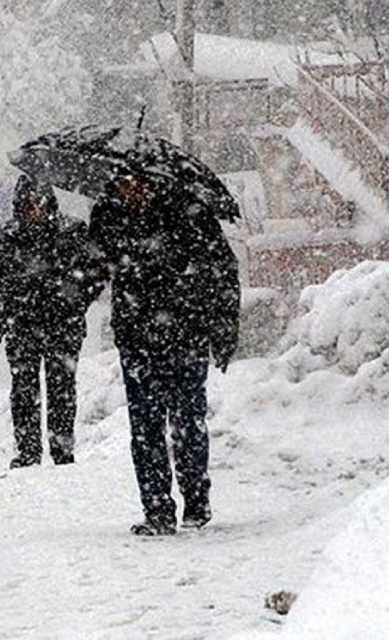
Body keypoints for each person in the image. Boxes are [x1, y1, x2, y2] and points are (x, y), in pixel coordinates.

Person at [89, 173, 240, 536]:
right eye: (124, 183)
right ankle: (157, 509)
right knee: (145, 428)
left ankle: (196, 500)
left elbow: (222, 269)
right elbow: (93, 269)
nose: (132, 189)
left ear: (153, 181)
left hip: (184, 334)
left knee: (187, 422)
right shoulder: (108, 215)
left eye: (136, 182)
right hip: (137, 338)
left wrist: (223, 329)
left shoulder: (188, 211)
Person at [0, 175, 102, 469]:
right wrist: (3, 313)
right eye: (28, 204)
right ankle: (28, 451)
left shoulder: (73, 232)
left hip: (63, 325)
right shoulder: (4, 238)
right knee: (24, 389)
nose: (34, 210)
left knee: (62, 388)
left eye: (39, 203)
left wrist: (75, 303)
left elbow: (95, 274)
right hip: (23, 325)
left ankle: (62, 448)